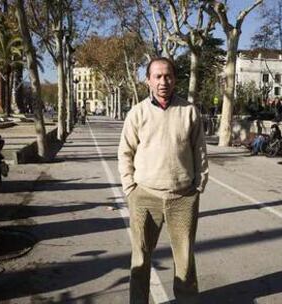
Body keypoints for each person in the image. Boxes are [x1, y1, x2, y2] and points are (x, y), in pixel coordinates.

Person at [118, 57, 208, 304]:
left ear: (175, 79)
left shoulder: (189, 112)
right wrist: (130, 188)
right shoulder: (137, 113)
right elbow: (125, 152)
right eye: (157, 76)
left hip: (183, 197)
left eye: (167, 76)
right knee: (140, 259)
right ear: (148, 80)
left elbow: (199, 150)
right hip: (145, 196)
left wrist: (198, 185)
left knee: (185, 261)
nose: (163, 81)